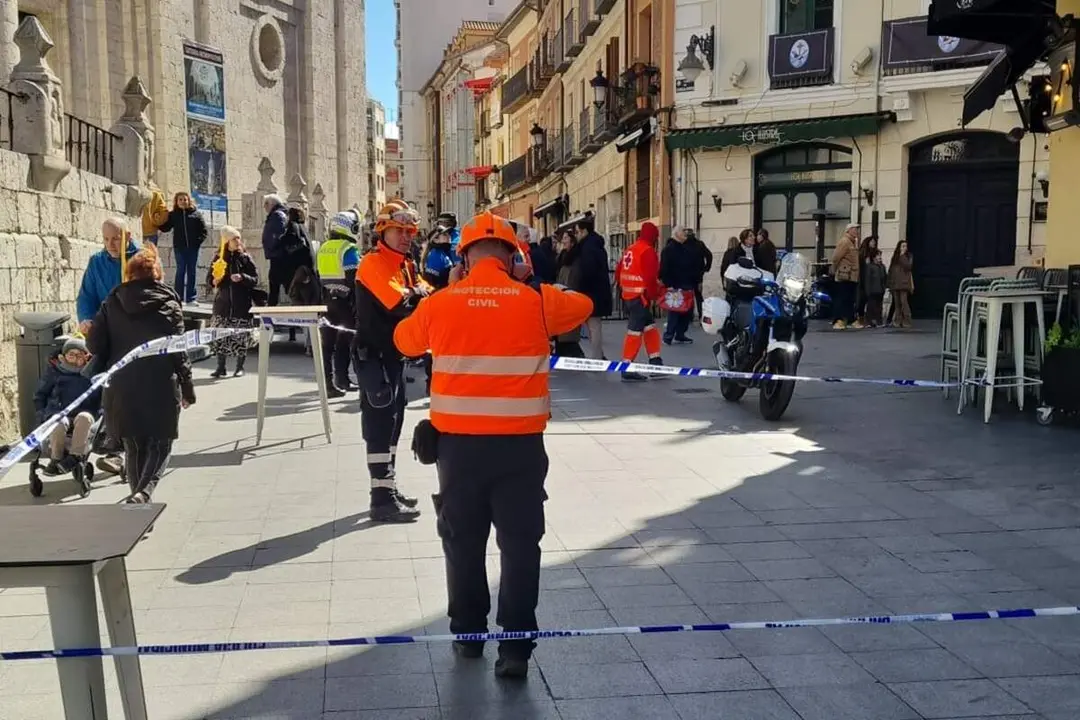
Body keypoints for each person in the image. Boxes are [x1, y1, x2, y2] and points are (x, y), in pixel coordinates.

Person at [393, 210, 593, 680]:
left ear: (463, 258)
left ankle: (467, 633)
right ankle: (516, 650)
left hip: (458, 451)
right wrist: (530, 280)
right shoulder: (536, 300)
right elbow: (582, 305)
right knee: (521, 545)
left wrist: (450, 292)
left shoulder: (442, 302)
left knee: (462, 542)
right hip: (520, 449)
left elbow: (404, 341)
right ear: (513, 254)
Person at [86, 244, 195, 504]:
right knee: (161, 442)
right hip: (159, 383)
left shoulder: (112, 300)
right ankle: (143, 494)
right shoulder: (168, 302)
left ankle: (137, 500)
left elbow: (93, 345)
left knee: (134, 445)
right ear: (157, 273)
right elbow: (178, 349)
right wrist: (187, 385)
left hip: (122, 385)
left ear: (130, 274)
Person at [355, 199, 428, 522]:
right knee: (380, 424)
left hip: (393, 355)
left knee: (395, 422)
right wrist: (415, 293)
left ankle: (388, 486)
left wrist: (416, 292)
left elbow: (426, 290)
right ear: (383, 230)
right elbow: (399, 303)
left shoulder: (404, 264)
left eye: (410, 231)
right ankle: (380, 499)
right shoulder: (373, 264)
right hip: (374, 355)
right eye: (399, 230)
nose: (406, 235)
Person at [75, 218, 138, 479]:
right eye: (106, 239)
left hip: (135, 338)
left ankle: (123, 451)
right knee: (109, 392)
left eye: (116, 239)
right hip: (107, 336)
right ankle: (114, 447)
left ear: (128, 235)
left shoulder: (141, 260)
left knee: (128, 394)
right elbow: (87, 295)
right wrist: (85, 319)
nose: (111, 245)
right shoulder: (97, 262)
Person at [33, 335, 100, 494]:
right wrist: (42, 414)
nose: (75, 358)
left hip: (85, 412)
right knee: (58, 421)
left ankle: (75, 457)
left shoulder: (92, 374)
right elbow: (39, 395)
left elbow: (102, 398)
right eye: (71, 354)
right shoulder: (55, 373)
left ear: (86, 357)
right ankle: (56, 458)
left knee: (84, 418)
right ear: (63, 356)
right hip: (59, 412)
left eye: (80, 354)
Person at [317, 210, 363, 397]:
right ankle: (342, 378)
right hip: (346, 301)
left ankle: (328, 384)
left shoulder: (324, 247)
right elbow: (354, 278)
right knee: (346, 342)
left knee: (327, 346)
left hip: (327, 300)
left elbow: (318, 275)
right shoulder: (348, 249)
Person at [206, 226, 259, 378]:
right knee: (219, 337)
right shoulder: (219, 259)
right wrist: (214, 281)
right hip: (222, 305)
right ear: (226, 242)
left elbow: (255, 279)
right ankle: (220, 367)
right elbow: (209, 279)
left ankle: (240, 367)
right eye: (234, 239)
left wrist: (242, 277)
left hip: (241, 305)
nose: (238, 241)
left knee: (240, 338)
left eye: (238, 238)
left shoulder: (245, 258)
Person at [615, 221, 664, 382]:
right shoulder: (648, 251)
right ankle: (627, 366)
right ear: (654, 237)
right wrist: (655, 296)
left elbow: (618, 271)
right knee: (635, 332)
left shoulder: (631, 248)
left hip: (629, 296)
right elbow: (650, 278)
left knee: (649, 327)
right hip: (640, 298)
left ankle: (655, 362)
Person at [156, 191, 208, 304]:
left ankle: (191, 298)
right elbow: (166, 228)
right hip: (179, 247)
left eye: (185, 199)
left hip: (193, 248)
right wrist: (157, 221)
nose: (183, 201)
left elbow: (204, 231)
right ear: (176, 202)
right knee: (180, 271)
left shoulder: (196, 214)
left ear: (189, 200)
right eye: (180, 200)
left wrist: (197, 242)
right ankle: (178, 297)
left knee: (192, 271)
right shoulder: (173, 215)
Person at [572, 217, 613, 359]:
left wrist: (581, 289)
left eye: (577, 232)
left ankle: (597, 359)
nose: (576, 235)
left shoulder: (588, 248)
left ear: (584, 231)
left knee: (594, 328)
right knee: (593, 327)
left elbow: (588, 272)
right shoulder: (594, 245)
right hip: (597, 292)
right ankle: (599, 356)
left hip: (592, 293)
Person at [659, 225, 698, 345]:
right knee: (675, 311)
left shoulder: (686, 248)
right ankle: (668, 335)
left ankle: (680, 334)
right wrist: (668, 284)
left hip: (687, 284)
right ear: (676, 234)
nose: (685, 233)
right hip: (675, 285)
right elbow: (664, 268)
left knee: (687, 311)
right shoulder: (668, 249)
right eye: (683, 231)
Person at [553, 229, 586, 357]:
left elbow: (574, 278)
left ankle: (574, 354)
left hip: (569, 293)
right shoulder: (562, 256)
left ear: (572, 241)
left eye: (566, 238)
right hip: (561, 293)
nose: (563, 241)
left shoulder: (575, 258)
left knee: (569, 332)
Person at [261, 193, 291, 306]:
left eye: (265, 204)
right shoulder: (278, 214)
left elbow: (278, 235)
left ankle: (271, 308)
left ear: (271, 204)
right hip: (277, 254)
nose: (264, 208)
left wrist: (272, 247)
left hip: (278, 256)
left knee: (276, 283)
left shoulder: (277, 215)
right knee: (278, 283)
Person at [830, 223, 861, 330]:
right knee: (842, 298)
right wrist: (834, 271)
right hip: (844, 275)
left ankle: (849, 320)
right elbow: (836, 257)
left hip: (851, 276)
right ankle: (838, 320)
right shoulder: (844, 241)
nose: (857, 231)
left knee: (849, 299)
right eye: (855, 229)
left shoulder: (853, 242)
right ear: (849, 230)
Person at [685, 228, 713, 321]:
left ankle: (689, 316)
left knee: (688, 296)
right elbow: (709, 255)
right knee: (698, 296)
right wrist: (706, 268)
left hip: (687, 275)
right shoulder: (699, 244)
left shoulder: (683, 245)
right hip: (698, 275)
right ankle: (701, 315)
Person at [888, 240, 915, 329]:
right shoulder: (895, 257)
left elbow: (908, 266)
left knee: (904, 302)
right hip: (895, 283)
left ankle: (906, 320)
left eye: (905, 246)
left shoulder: (908, 256)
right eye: (902, 246)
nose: (904, 248)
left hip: (904, 283)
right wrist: (890, 282)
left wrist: (903, 256)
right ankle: (897, 320)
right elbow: (891, 270)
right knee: (897, 303)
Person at [855, 235, 879, 326]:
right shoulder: (863, 253)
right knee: (862, 300)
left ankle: (868, 319)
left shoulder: (874, 253)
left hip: (871, 280)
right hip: (863, 279)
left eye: (874, 242)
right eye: (872, 241)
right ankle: (860, 318)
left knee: (869, 300)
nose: (874, 243)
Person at [863, 248, 887, 328]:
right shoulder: (870, 267)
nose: (880, 257)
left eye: (880, 255)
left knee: (879, 307)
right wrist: (868, 291)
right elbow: (868, 279)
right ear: (874, 257)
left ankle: (878, 321)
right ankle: (869, 321)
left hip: (880, 290)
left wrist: (885, 287)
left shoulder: (882, 266)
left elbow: (884, 278)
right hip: (872, 290)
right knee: (871, 306)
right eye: (878, 255)